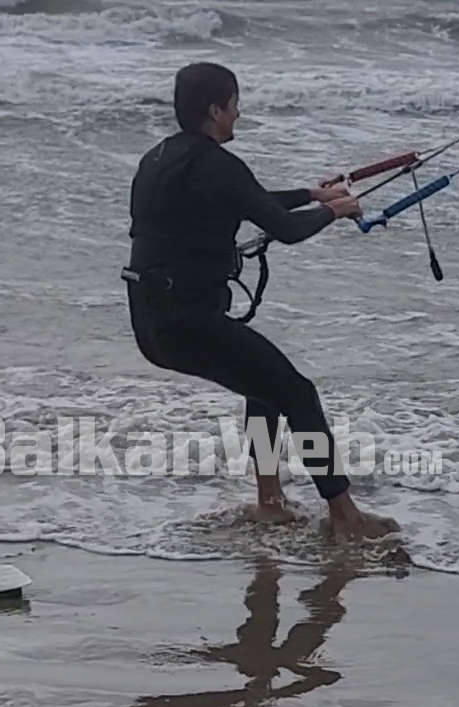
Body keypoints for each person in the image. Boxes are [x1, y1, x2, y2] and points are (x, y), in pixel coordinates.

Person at [122, 62, 400, 544]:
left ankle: (269, 503)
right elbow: (285, 229)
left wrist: (311, 194)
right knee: (297, 393)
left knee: (263, 386)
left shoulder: (160, 157)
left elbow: (248, 200)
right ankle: (345, 517)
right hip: (186, 321)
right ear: (215, 110)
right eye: (234, 105)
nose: (238, 114)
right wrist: (333, 211)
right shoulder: (216, 164)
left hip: (151, 319)